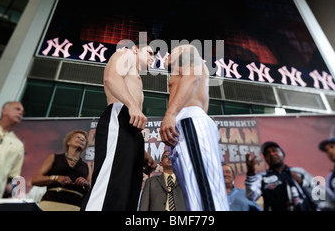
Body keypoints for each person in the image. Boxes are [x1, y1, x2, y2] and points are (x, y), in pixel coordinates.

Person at [81, 41, 157, 211]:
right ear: (136, 49)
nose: (153, 59)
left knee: (127, 191)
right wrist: (132, 105)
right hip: (119, 115)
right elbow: (111, 78)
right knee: (110, 184)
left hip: (130, 130)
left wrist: (141, 151)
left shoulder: (135, 76)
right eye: (150, 53)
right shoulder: (126, 54)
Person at [159, 44, 229, 211]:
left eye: (172, 50)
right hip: (185, 124)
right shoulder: (180, 68)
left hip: (190, 121)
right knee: (194, 195)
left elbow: (193, 78)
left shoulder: (190, 56)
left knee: (205, 193)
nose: (167, 54)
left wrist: (171, 114)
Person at [245, 141, 318, 211]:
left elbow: (318, 193)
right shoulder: (262, 177)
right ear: (265, 159)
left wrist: (302, 183)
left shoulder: (299, 172)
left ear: (283, 154)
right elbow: (251, 196)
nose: (272, 154)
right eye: (267, 153)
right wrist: (251, 174)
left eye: (275, 150)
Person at [31, 129, 91, 211]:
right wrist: (56, 178)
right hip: (51, 203)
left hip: (75, 206)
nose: (81, 140)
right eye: (78, 137)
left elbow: (92, 189)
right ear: (68, 142)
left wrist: (86, 183)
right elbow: (35, 179)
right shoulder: (54, 158)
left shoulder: (86, 166)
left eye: (84, 140)